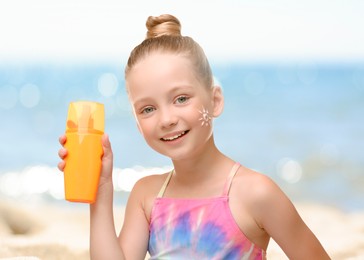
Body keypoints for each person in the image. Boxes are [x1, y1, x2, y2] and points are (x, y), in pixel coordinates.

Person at [58, 14, 330, 260]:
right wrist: (101, 189)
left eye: (181, 99)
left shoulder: (256, 193)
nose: (166, 119)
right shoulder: (146, 196)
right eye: (148, 109)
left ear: (215, 100)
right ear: (138, 124)